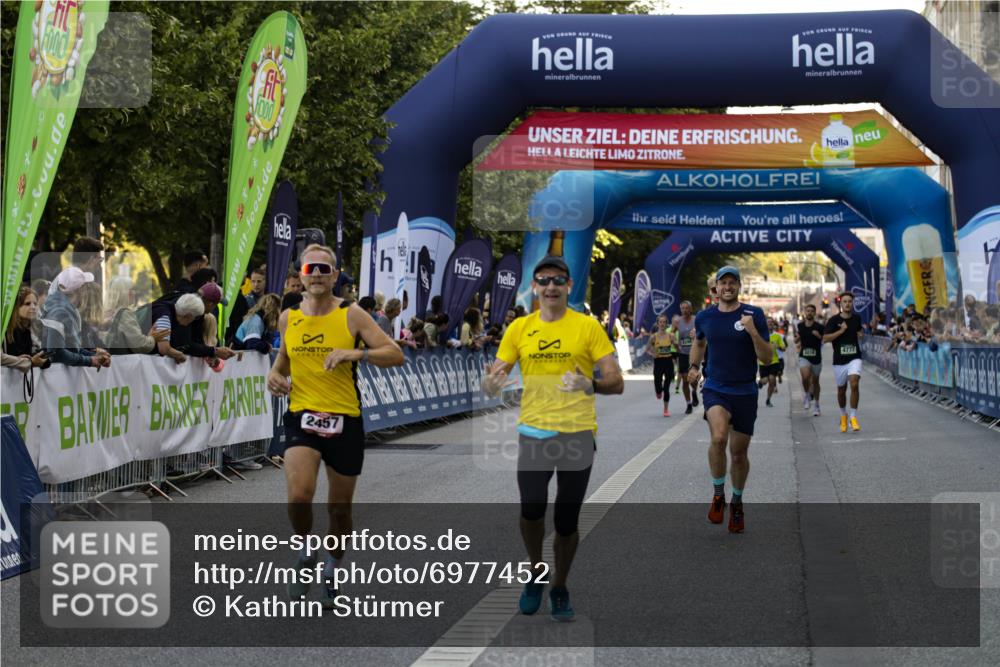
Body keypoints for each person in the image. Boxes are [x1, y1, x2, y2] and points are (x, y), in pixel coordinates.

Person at [483, 255, 623, 622]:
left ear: (569, 286)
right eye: (543, 280)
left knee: (566, 520)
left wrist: (590, 383)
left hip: (577, 432)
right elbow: (493, 380)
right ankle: (536, 571)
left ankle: (560, 586)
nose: (550, 287)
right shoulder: (519, 329)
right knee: (531, 508)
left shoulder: (588, 327)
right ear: (534, 286)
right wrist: (490, 383)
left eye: (558, 281)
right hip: (534, 431)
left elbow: (617, 381)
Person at [266, 244, 403, 608]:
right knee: (299, 496)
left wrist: (356, 352)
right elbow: (283, 360)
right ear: (300, 273)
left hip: (345, 420)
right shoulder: (288, 317)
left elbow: (395, 354)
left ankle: (332, 566)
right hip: (302, 416)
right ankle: (307, 552)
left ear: (335, 274)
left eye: (325, 269)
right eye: (311, 268)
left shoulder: (352, 315)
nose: (317, 275)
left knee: (339, 510)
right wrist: (274, 376)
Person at [686, 266, 771, 534]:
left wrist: (753, 332)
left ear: (739, 286)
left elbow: (767, 357)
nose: (728, 287)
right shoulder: (705, 317)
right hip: (715, 387)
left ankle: (737, 502)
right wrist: (693, 366)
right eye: (723, 283)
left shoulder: (753, 314)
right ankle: (718, 494)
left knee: (738, 453)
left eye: (732, 283)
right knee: (719, 437)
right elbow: (699, 343)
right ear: (717, 287)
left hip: (745, 389)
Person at [39, 267, 112, 369]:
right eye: (84, 286)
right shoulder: (58, 312)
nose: (87, 291)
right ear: (79, 290)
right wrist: (89, 360)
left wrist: (95, 357)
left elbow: (73, 349)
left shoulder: (68, 311)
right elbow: (57, 353)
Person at [823, 292, 864, 433]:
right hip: (839, 361)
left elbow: (860, 331)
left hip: (854, 357)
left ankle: (853, 417)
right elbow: (826, 339)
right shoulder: (833, 320)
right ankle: (843, 415)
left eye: (850, 301)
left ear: (853, 303)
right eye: (845, 301)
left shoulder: (857, 318)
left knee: (854, 383)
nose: (847, 304)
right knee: (841, 390)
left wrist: (861, 333)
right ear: (841, 304)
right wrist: (841, 331)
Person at [103, 276, 170, 354]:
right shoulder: (125, 314)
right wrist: (153, 338)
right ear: (124, 293)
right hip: (123, 363)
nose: (134, 293)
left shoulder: (107, 313)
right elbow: (139, 345)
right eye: (131, 290)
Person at [3, 286, 49, 370]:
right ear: (16, 307)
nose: (33, 307)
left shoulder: (28, 330)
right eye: (27, 304)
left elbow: (44, 361)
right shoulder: (5, 330)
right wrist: (25, 361)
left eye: (35, 304)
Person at [796, 304, 824, 417]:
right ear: (804, 313)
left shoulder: (820, 327)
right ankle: (807, 394)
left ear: (815, 313)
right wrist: (797, 338)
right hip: (804, 355)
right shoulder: (800, 326)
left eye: (812, 311)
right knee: (805, 377)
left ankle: (817, 405)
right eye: (808, 311)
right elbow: (797, 338)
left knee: (816, 382)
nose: (809, 313)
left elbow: (825, 339)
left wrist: (819, 336)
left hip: (816, 357)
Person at [645, 314, 676, 416]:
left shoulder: (671, 336)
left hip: (668, 362)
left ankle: (666, 410)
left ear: (666, 324)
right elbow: (647, 350)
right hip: (658, 362)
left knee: (666, 387)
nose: (662, 324)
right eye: (660, 322)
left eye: (664, 322)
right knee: (658, 386)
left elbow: (676, 347)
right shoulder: (653, 337)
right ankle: (658, 391)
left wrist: (676, 346)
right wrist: (652, 354)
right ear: (657, 324)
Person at [675, 301, 698, 413]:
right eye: (682, 308)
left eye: (686, 308)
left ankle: (694, 391)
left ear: (690, 309)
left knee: (693, 377)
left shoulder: (696, 320)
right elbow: (671, 333)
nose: (684, 310)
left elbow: (702, 333)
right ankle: (688, 404)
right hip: (683, 353)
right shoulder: (678, 321)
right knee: (685, 379)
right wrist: (675, 344)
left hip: (694, 352)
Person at [757, 318, 785, 408]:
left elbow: (784, 348)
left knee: (772, 380)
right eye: (768, 323)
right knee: (765, 381)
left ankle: (768, 399)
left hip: (774, 361)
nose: (770, 324)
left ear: (774, 325)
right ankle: (760, 382)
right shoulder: (760, 335)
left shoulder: (778, 336)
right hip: (763, 362)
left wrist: (777, 346)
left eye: (771, 323)